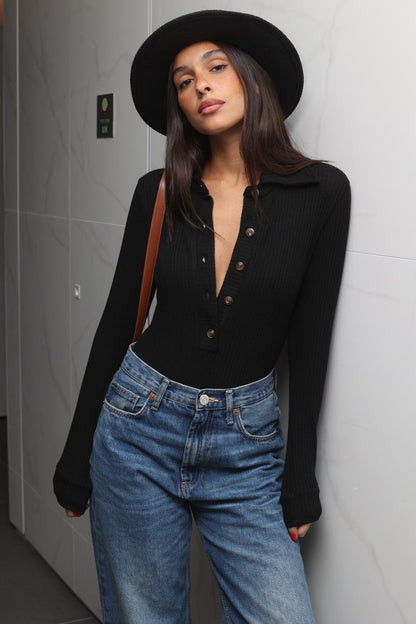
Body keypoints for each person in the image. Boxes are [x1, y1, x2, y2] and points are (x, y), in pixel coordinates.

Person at [53, 9, 350, 624]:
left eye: (215, 67)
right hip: (138, 428)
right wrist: (76, 455)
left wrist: (300, 476)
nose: (200, 86)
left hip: (246, 446)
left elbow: (311, 342)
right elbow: (117, 324)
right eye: (184, 81)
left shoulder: (321, 193)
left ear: (252, 76)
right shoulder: (159, 192)